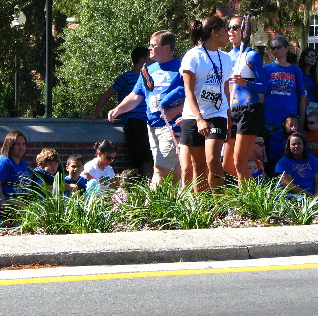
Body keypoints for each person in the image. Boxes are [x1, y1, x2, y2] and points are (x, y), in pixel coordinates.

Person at [108, 30, 183, 187]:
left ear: (166, 47)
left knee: (160, 169)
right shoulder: (148, 70)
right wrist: (118, 109)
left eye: (153, 45)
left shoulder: (181, 68)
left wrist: (175, 111)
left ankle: (151, 207)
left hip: (172, 127)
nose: (149, 48)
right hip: (152, 126)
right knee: (174, 170)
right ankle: (176, 203)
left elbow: (192, 96)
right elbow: (136, 96)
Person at [178, 16, 232, 193]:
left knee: (213, 160)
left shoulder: (225, 58)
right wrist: (199, 119)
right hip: (193, 116)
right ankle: (201, 210)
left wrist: (229, 119)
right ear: (215, 33)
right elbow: (188, 91)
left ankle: (220, 208)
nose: (228, 35)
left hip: (217, 114)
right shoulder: (193, 56)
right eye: (225, 31)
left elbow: (226, 90)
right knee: (198, 166)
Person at [87, 47, 153, 177]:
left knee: (151, 154)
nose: (153, 61)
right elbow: (107, 94)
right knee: (142, 155)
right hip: (134, 120)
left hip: (148, 120)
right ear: (142, 60)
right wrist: (96, 113)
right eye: (149, 58)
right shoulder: (126, 77)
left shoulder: (149, 78)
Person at [223, 16, 268, 183]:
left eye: (235, 28)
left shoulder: (251, 55)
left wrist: (245, 82)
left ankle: (247, 205)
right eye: (229, 28)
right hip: (231, 110)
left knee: (239, 161)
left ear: (244, 30)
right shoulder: (226, 57)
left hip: (249, 109)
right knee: (227, 164)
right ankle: (252, 190)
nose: (231, 31)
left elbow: (264, 86)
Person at [264, 36, 307, 131]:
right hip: (270, 119)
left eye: (279, 47)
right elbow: (262, 94)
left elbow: (302, 96)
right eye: (273, 48)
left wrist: (302, 121)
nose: (276, 50)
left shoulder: (295, 70)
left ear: (286, 48)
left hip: (290, 120)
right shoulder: (267, 69)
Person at [0, 130, 32, 211]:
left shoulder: (24, 163)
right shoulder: (2, 162)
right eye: (18, 144)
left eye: (23, 144)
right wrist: (1, 199)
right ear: (10, 145)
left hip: (23, 200)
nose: (21, 147)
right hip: (8, 201)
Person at [275, 132, 318, 199]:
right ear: (288, 146)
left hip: (312, 196)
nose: (297, 146)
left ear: (304, 145)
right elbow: (288, 185)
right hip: (292, 197)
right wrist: (309, 196)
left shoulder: (313, 159)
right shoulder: (283, 162)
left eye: (299, 143)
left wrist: (317, 197)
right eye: (293, 144)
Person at [298, 48, 318, 113]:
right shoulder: (298, 73)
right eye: (310, 56)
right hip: (300, 107)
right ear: (304, 57)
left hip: (312, 108)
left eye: (315, 56)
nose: (313, 58)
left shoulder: (314, 74)